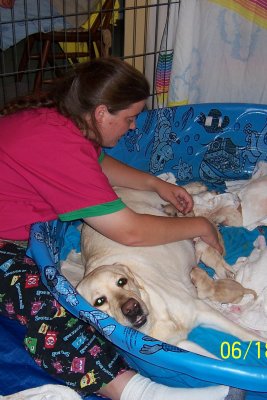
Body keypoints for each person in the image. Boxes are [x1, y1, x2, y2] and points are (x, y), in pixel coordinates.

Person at [0, 57, 245, 400]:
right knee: (48, 310)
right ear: (101, 113)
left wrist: (154, 184)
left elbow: (97, 162)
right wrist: (199, 224)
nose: (133, 128)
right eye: (130, 119)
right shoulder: (60, 147)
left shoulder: (61, 123)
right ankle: (142, 393)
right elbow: (129, 231)